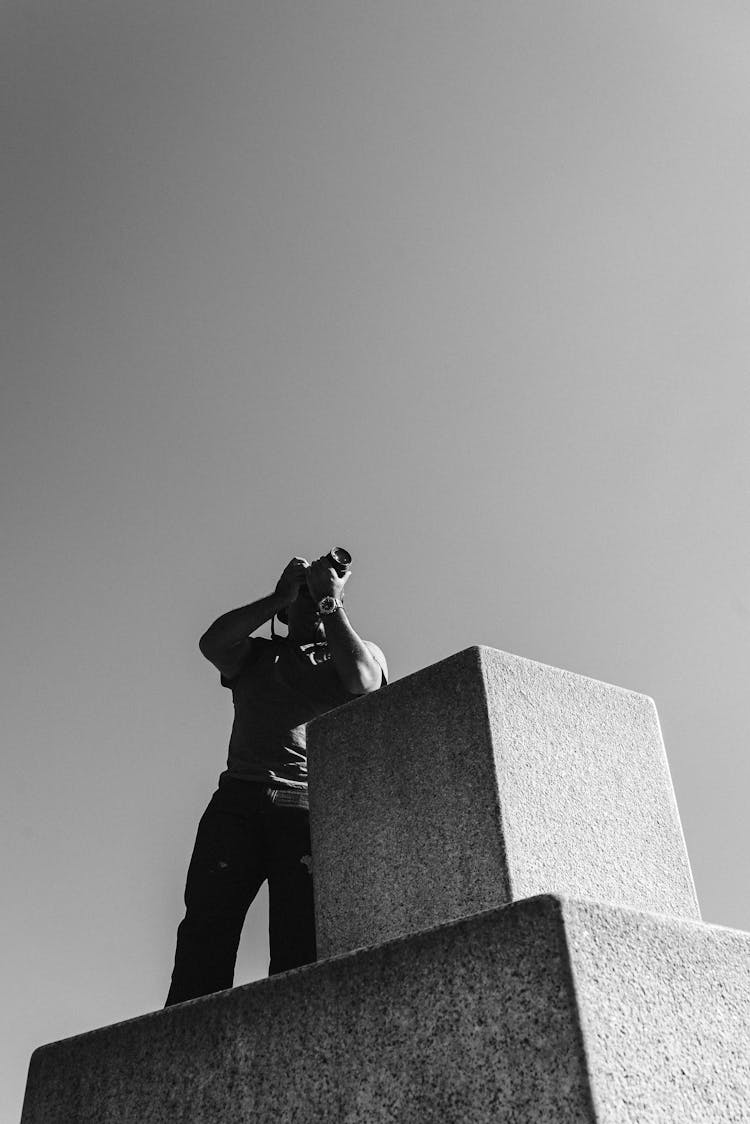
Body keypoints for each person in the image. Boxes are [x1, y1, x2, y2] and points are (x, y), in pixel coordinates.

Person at [165, 553, 387, 1005]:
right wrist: (279, 595)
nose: (314, 599)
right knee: (205, 933)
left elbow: (364, 682)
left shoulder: (354, 651)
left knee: (300, 939)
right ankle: (184, 1034)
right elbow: (212, 643)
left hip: (307, 804)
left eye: (321, 592)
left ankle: (294, 1030)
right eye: (304, 595)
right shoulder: (257, 655)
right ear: (285, 612)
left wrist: (330, 600)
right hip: (237, 801)